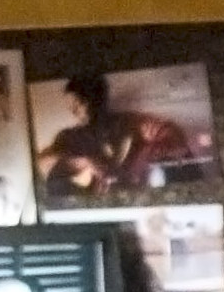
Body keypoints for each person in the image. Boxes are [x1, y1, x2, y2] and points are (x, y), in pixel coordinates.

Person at [37, 70, 193, 201]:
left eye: (78, 104)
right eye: (70, 106)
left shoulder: (129, 122)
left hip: (135, 198)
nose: (73, 111)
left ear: (97, 100)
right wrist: (82, 163)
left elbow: (174, 136)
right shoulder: (68, 136)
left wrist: (148, 153)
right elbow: (43, 164)